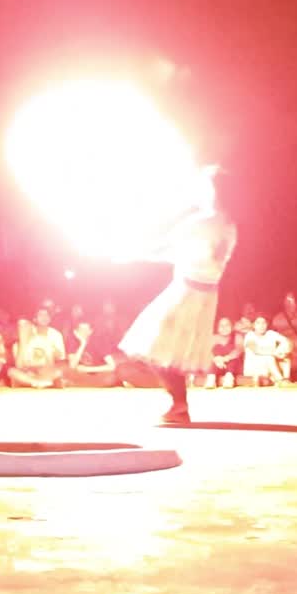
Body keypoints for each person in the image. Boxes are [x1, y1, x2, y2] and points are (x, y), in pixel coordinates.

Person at [118, 168, 238, 421]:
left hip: (187, 291)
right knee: (170, 350)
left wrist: (135, 255)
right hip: (204, 294)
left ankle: (179, 404)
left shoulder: (203, 222)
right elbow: (189, 254)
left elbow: (171, 249)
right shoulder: (228, 225)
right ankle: (179, 405)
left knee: (155, 345)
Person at [12, 306, 66, 388]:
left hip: (43, 371)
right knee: (12, 372)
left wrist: (39, 367)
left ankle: (42, 381)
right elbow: (19, 366)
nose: (23, 328)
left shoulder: (44, 340)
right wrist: (22, 343)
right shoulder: (17, 345)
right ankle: (37, 382)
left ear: (30, 326)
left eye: (25, 325)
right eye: (21, 326)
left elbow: (51, 363)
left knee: (57, 372)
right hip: (28, 374)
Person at [64, 318, 117, 387]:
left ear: (91, 331)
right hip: (80, 376)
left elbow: (112, 366)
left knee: (110, 379)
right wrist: (82, 344)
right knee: (68, 374)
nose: (83, 332)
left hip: (97, 375)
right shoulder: (72, 343)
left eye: (86, 330)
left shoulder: (98, 343)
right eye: (81, 330)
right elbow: (72, 365)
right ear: (75, 332)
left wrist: (88, 369)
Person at [241, 315, 291, 386]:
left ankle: (286, 379)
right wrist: (275, 353)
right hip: (254, 368)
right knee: (269, 358)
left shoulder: (271, 334)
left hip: (269, 367)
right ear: (253, 325)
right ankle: (279, 380)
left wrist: (282, 350)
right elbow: (256, 349)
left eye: (264, 323)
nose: (261, 326)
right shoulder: (250, 335)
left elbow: (287, 341)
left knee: (286, 356)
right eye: (258, 323)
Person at [206, 317, 243, 389]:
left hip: (233, 367)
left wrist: (225, 358)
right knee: (215, 355)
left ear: (232, 327)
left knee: (233, 360)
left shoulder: (237, 336)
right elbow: (207, 353)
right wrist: (216, 359)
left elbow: (239, 350)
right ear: (217, 328)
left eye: (227, 325)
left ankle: (229, 379)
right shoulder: (214, 338)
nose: (224, 328)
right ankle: (211, 378)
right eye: (221, 326)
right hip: (218, 365)